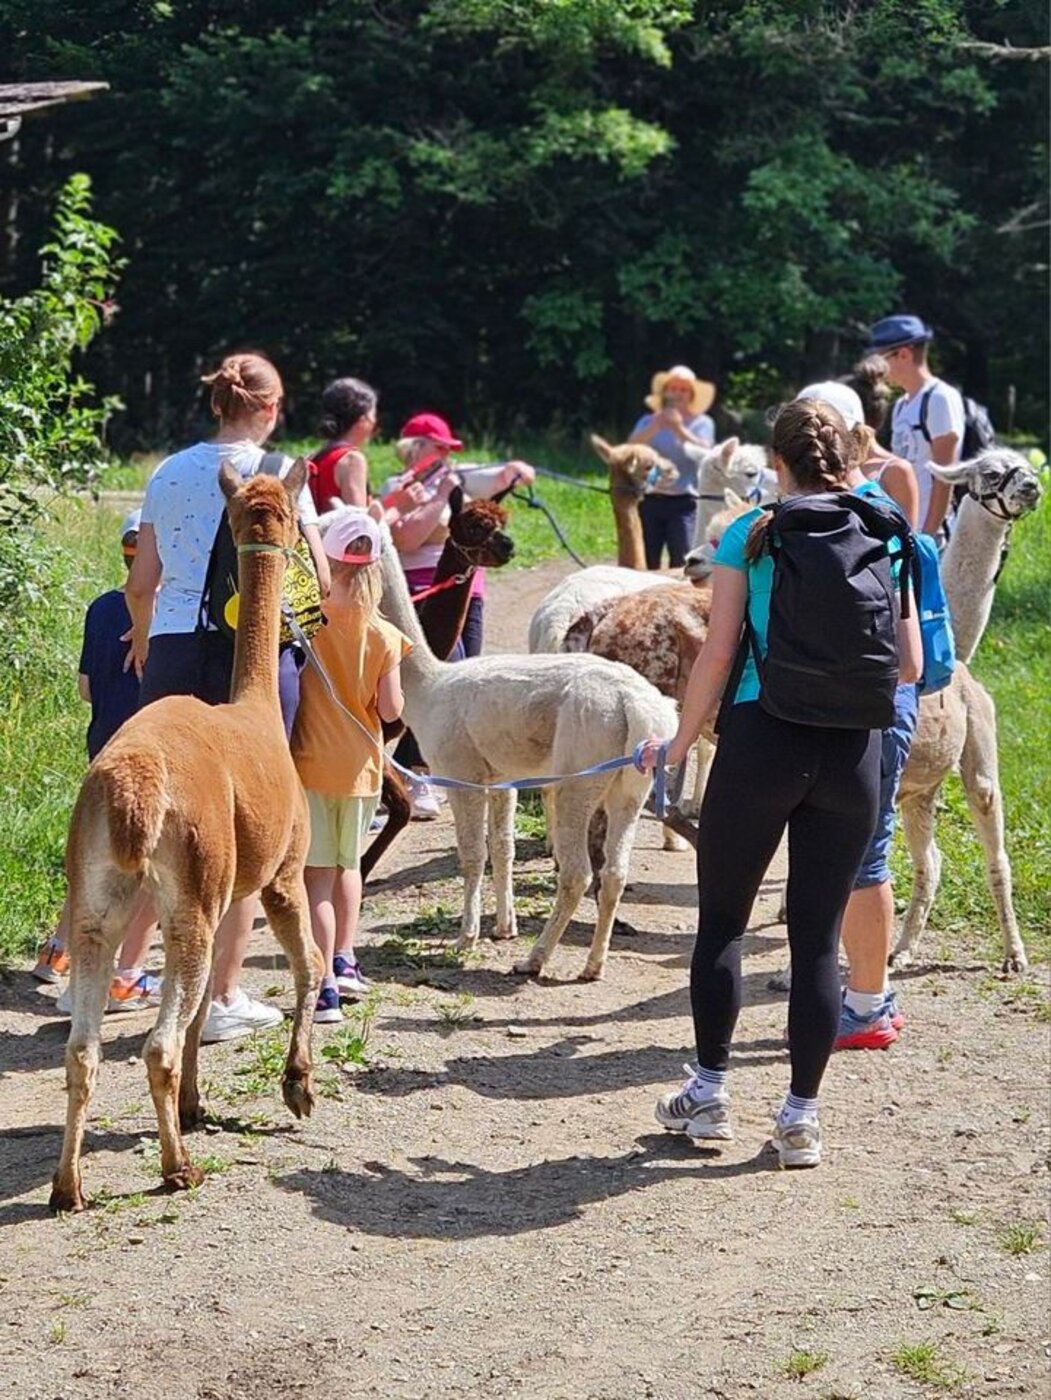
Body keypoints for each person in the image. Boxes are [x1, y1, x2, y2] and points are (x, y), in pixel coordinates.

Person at [639, 397, 922, 1168]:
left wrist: (677, 742)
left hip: (764, 741)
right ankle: (799, 1118)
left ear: (777, 463)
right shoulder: (887, 530)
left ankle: (707, 1095)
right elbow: (910, 667)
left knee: (725, 925)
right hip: (852, 754)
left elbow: (718, 653)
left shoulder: (752, 532)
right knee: (814, 942)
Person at [125, 351, 330, 1044]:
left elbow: (141, 579)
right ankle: (221, 996)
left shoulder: (167, 471)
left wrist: (145, 637)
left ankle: (126, 969)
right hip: (251, 651)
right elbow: (318, 580)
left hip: (175, 645)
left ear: (217, 403)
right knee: (249, 827)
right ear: (270, 409)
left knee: (163, 815)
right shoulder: (279, 478)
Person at [796, 382, 920, 1052]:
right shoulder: (882, 513)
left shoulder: (834, 518)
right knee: (861, 849)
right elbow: (913, 659)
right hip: (881, 700)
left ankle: (865, 1004)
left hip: (851, 707)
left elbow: (905, 657)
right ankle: (867, 993)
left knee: (859, 855)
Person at [33, 510, 161, 1013]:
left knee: (93, 860)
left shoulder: (99, 608)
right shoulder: (169, 611)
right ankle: (125, 976)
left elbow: (86, 690)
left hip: (101, 746)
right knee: (141, 868)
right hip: (147, 755)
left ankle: (56, 951)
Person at [290, 511, 410, 1022]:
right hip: (362, 770)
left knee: (314, 879)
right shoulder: (384, 635)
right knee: (348, 868)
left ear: (328, 560)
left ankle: (321, 989)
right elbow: (391, 710)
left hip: (310, 765)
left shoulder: (307, 620)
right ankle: (346, 960)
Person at [385, 411, 534, 818]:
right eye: (439, 447)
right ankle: (415, 774)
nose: (445, 455)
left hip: (467, 592)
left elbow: (505, 478)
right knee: (435, 680)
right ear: (414, 449)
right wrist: (440, 498)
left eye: (449, 450)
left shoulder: (460, 481)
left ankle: (438, 768)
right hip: (420, 590)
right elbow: (407, 537)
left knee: (463, 673)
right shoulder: (398, 490)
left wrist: (513, 472)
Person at [866, 315, 963, 538]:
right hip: (907, 531)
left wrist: (927, 536)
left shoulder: (939, 398)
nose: (876, 369)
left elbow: (945, 476)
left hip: (932, 535)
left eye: (879, 359)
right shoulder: (901, 405)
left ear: (904, 354)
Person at [628, 365, 717, 570]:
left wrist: (679, 429)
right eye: (673, 388)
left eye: (684, 389)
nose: (678, 394)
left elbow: (707, 454)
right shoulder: (648, 420)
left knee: (683, 560)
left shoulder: (703, 423)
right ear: (664, 392)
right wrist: (655, 426)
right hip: (649, 499)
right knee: (646, 561)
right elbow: (630, 447)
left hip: (684, 503)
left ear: (691, 395)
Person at [308, 377, 377, 514]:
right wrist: (397, 509)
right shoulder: (352, 460)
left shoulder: (314, 458)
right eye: (373, 414)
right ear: (362, 420)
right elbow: (359, 525)